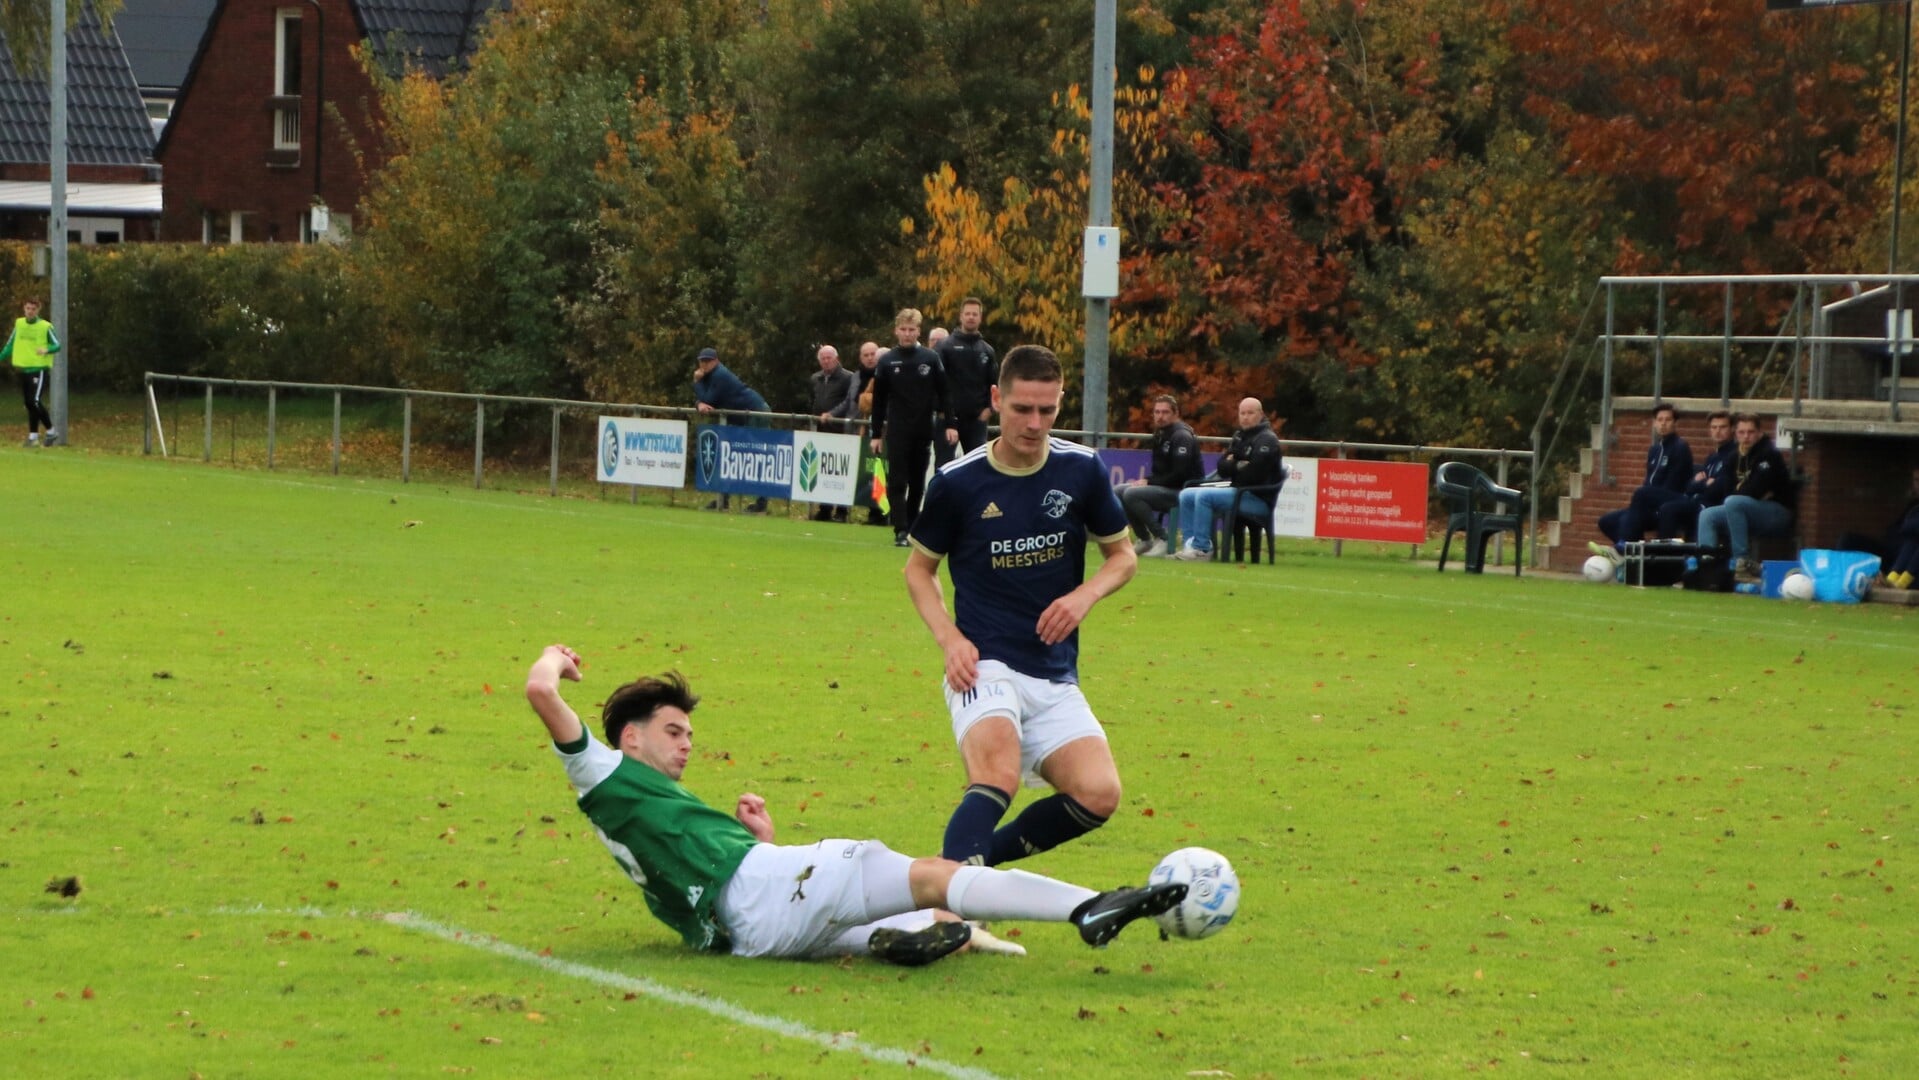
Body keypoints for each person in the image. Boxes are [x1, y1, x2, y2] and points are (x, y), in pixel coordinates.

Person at [522, 645, 1184, 962]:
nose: (687, 745)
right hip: (760, 897)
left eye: (690, 734)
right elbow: (538, 693)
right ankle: (1086, 906)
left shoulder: (639, 802)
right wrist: (555, 660)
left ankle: (921, 941)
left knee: (888, 923)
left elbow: (694, 876)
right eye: (673, 732)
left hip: (748, 930)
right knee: (929, 874)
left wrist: (764, 841)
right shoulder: (601, 771)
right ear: (628, 737)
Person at [904, 345, 1138, 868]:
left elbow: (1122, 557)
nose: (1035, 424)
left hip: (1054, 673)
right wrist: (951, 640)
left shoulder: (1081, 470)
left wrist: (1084, 595)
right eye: (1021, 409)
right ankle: (949, 910)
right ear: (996, 400)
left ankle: (958, 867)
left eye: (1047, 410)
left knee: (1099, 793)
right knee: (997, 775)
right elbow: (918, 571)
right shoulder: (957, 482)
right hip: (984, 663)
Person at [870, 309, 955, 546]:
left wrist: (950, 423)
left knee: (918, 480)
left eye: (912, 330)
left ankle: (912, 524)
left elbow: (945, 392)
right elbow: (878, 401)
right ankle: (900, 529)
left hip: (923, 428)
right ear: (896, 331)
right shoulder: (887, 361)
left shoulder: (929, 358)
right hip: (898, 429)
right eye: (903, 330)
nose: (907, 334)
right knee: (897, 480)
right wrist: (876, 434)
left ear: (919, 331)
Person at [1172, 398, 1284, 561]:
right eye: (1242, 413)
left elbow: (1254, 474)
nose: (1245, 417)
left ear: (1260, 415)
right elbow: (1222, 467)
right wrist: (1239, 465)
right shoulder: (1239, 436)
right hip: (1238, 491)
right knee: (1186, 494)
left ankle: (1202, 549)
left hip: (1257, 498)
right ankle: (1190, 545)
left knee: (1204, 496)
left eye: (1250, 413)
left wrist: (1234, 463)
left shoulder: (1267, 439)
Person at [1588, 403, 1692, 558]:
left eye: (1668, 420)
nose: (1663, 423)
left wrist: (1648, 502)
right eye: (1659, 420)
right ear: (1654, 423)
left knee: (1641, 493)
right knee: (1606, 521)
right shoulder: (1654, 449)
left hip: (1672, 501)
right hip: (1647, 503)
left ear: (1675, 423)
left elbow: (1674, 484)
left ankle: (1623, 546)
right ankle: (1637, 553)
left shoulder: (1680, 447)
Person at [1697, 413, 1795, 577]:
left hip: (1777, 513)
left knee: (1734, 502)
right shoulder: (1733, 456)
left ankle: (1741, 562)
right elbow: (1727, 491)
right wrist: (1743, 493)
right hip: (1744, 509)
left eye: (1750, 432)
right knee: (1707, 515)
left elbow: (1757, 490)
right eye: (1741, 432)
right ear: (1736, 433)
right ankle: (1708, 564)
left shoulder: (1769, 454)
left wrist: (1741, 493)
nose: (1746, 437)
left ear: (1759, 432)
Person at [1118, 394, 1203, 557]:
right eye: (1157, 412)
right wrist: (1151, 482)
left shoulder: (1181, 436)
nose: (1160, 416)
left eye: (1165, 412)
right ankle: (1144, 539)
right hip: (1165, 487)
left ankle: (1162, 538)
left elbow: (1180, 475)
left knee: (1131, 493)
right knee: (1119, 490)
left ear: (1175, 414)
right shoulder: (1160, 434)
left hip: (1183, 491)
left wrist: (1149, 481)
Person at [693, 346, 772, 513]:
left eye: (707, 361)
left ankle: (761, 504)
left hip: (755, 413)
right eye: (702, 361)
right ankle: (724, 500)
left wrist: (697, 382)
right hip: (742, 416)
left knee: (756, 457)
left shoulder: (720, 375)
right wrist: (699, 403)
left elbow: (708, 400)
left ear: (716, 361)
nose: (704, 364)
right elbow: (705, 401)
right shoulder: (711, 376)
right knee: (730, 457)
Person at [1655, 411, 1736, 541]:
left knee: (1668, 509)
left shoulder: (1734, 455)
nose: (1717, 431)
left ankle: (1666, 555)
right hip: (1697, 501)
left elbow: (1719, 487)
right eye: (1714, 427)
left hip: (1713, 505)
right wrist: (1703, 483)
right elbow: (1690, 486)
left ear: (1732, 429)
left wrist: (1700, 484)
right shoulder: (1712, 457)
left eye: (1722, 427)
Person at [937, 298, 998, 455]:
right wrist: (941, 411)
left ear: (980, 318)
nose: (971, 317)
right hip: (948, 419)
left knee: (977, 466)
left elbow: (994, 384)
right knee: (943, 467)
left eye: (975, 314)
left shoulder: (987, 350)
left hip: (977, 421)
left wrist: (988, 410)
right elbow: (937, 383)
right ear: (961, 316)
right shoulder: (945, 346)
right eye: (968, 314)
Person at [808, 344, 860, 522]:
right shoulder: (816, 378)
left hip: (841, 431)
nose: (826, 361)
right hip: (821, 431)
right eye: (823, 358)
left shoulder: (848, 377)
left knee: (841, 472)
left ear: (836, 358)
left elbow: (850, 402)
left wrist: (834, 416)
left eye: (829, 357)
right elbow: (813, 400)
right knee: (822, 471)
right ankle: (824, 508)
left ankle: (842, 511)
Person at [8, 298, 60, 447]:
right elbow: (10, 345)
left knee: (34, 401)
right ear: (24, 309)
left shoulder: (45, 326)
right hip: (25, 368)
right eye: (28, 308)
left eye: (33, 309)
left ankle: (51, 431)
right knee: (29, 403)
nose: (30, 311)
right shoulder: (19, 324)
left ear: (38, 310)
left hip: (39, 369)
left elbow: (57, 345)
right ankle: (33, 437)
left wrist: (47, 349)